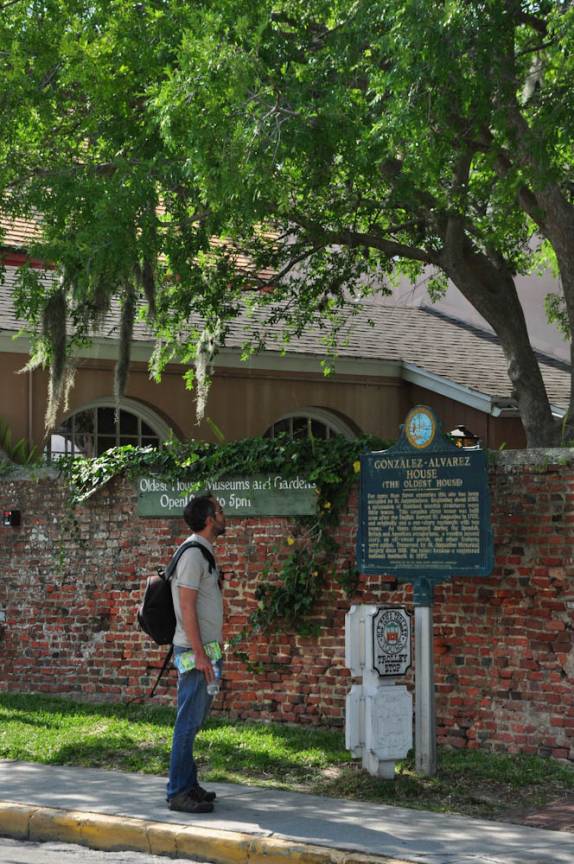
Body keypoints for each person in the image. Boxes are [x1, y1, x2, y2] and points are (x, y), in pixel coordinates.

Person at [166, 493, 225, 813]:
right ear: (208, 519)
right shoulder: (192, 554)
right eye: (218, 510)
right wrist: (201, 654)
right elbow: (185, 606)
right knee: (187, 722)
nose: (223, 513)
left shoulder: (204, 551)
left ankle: (189, 784)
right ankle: (177, 791)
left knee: (195, 719)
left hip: (206, 648)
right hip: (194, 651)